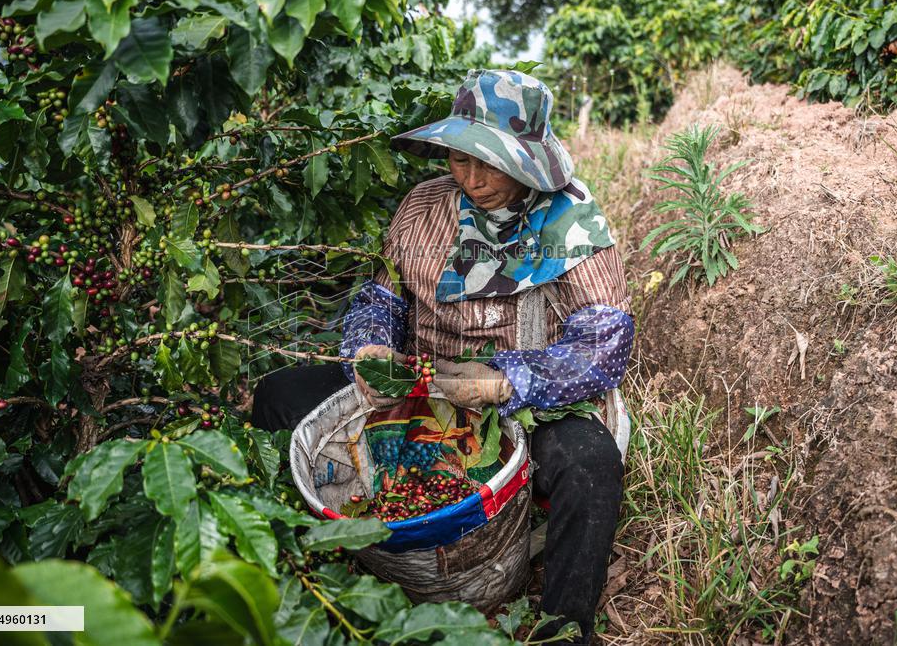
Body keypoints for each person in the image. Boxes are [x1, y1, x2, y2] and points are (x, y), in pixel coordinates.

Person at [251, 69, 634, 642]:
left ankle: (565, 625)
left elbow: (604, 346)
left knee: (591, 464)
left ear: (529, 163)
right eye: (461, 160)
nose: (474, 180)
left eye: (491, 164)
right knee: (277, 394)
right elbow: (381, 295)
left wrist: (504, 381)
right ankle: (294, 561)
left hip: (524, 400)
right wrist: (371, 348)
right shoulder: (423, 208)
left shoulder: (571, 222)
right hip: (423, 383)